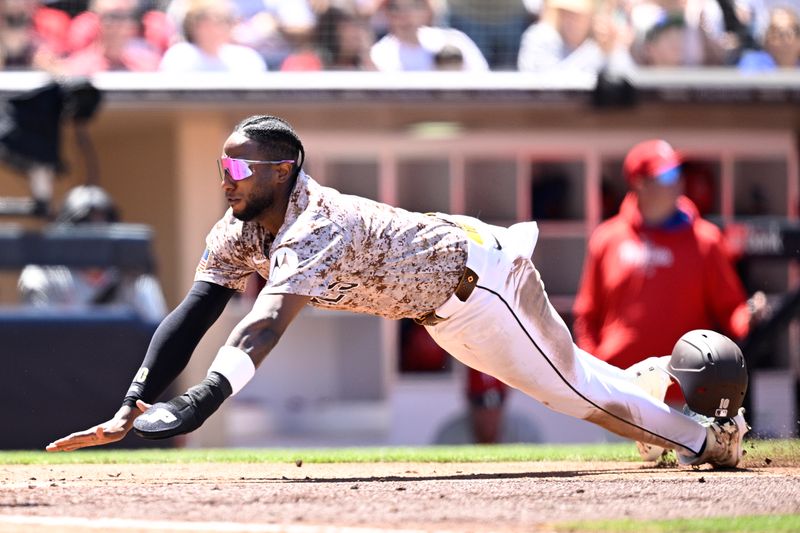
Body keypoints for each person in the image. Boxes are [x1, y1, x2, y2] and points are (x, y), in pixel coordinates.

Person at [46, 116, 748, 470]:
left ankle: (706, 441)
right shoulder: (236, 229)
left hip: (484, 278)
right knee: (577, 384)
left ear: (282, 169)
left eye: (238, 163)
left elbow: (262, 325)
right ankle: (660, 401)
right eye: (221, 163)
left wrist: (200, 401)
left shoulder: (311, 219)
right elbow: (195, 310)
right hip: (445, 307)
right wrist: (131, 400)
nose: (225, 176)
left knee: (575, 392)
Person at [572, 139, 765, 459]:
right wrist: (595, 378)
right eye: (666, 175)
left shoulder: (706, 240)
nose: (677, 182)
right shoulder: (607, 238)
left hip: (687, 397)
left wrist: (749, 317)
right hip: (620, 394)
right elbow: (587, 314)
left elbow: (731, 308)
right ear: (639, 183)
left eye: (678, 173)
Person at [18, 185, 168, 324]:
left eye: (104, 225)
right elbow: (40, 339)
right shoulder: (47, 275)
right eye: (86, 225)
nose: (96, 233)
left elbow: (154, 334)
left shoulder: (133, 280)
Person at [369, 0, 489, 71]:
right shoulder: (378, 55)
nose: (404, 14)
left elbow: (483, 83)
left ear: (429, 9)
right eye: (395, 7)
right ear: (384, 12)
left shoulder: (454, 40)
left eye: (414, 5)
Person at [159, 0, 267, 72]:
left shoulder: (247, 59)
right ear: (194, 25)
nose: (215, 29)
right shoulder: (179, 56)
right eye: (206, 22)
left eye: (223, 21)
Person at [738, 6, 800, 71]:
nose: (785, 42)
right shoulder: (752, 63)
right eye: (777, 34)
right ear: (766, 41)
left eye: (788, 34)